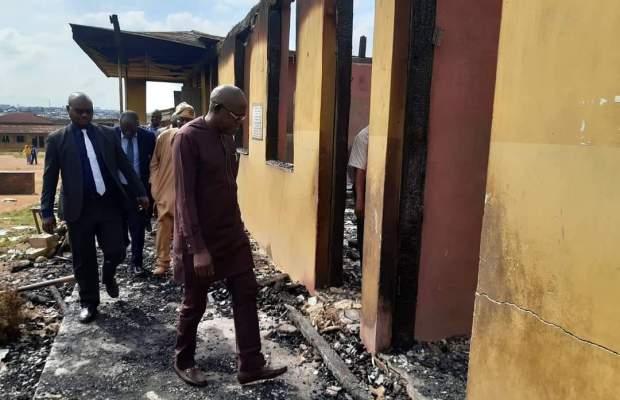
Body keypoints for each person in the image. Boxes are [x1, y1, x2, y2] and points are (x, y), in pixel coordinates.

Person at [172, 85, 287, 386]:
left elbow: (228, 188)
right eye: (237, 116)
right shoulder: (187, 138)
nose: (240, 123)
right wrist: (197, 249)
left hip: (230, 234)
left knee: (246, 291)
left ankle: (250, 364)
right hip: (199, 239)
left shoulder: (227, 137)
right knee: (195, 302)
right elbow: (184, 199)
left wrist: (239, 229)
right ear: (218, 109)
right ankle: (184, 360)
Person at [40, 92, 149, 323]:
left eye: (89, 111)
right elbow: (50, 178)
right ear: (68, 109)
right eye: (79, 111)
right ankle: (89, 302)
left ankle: (108, 274)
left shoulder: (107, 134)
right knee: (83, 258)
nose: (85, 115)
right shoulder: (57, 139)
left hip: (108, 204)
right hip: (78, 209)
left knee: (117, 250)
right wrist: (47, 212)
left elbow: (125, 165)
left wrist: (140, 192)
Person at [149, 102, 195, 276]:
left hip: (188, 190)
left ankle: (181, 263)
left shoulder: (195, 137)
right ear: (175, 119)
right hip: (167, 189)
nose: (184, 123)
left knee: (186, 227)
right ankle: (162, 262)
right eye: (182, 119)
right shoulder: (164, 137)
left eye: (188, 120)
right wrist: (156, 187)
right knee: (164, 225)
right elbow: (154, 164)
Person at [115, 111, 155, 276]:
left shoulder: (148, 137)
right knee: (118, 227)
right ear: (120, 125)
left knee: (137, 227)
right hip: (117, 189)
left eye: (132, 130)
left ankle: (136, 263)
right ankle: (121, 248)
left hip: (138, 190)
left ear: (138, 124)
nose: (128, 134)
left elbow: (153, 161)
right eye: (125, 130)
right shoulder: (112, 136)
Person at [348, 125, 368, 262]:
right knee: (364, 234)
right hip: (365, 190)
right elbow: (359, 172)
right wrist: (360, 200)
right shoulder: (364, 137)